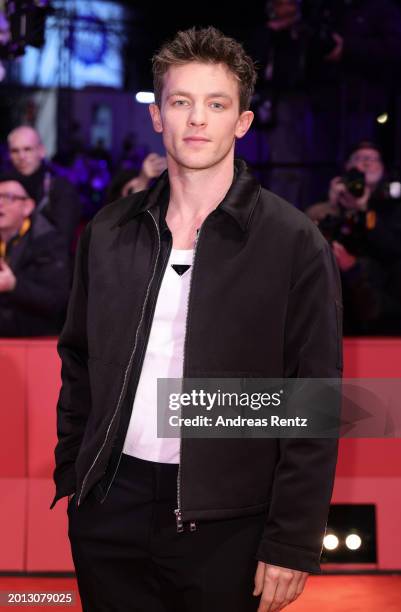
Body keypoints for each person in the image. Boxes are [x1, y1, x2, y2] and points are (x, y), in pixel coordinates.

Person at [52, 27, 342, 612]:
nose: (197, 120)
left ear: (243, 122)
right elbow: (78, 359)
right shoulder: (109, 231)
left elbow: (313, 400)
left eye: (217, 104)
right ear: (158, 116)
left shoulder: (294, 242)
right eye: (181, 102)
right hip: (111, 510)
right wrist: (75, 474)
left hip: (230, 523)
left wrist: (292, 538)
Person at [307, 141, 401, 334]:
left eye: (372, 159)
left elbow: (394, 249)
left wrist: (363, 208)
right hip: (335, 307)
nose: (366, 163)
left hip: (382, 306)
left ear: (383, 169)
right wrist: (331, 205)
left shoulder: (395, 208)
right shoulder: (330, 204)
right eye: (359, 159)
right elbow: (307, 245)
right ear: (346, 168)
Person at [0, 173, 70, 336]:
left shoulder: (49, 242)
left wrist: (14, 286)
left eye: (8, 197)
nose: (0, 203)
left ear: (28, 207)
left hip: (33, 340)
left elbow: (56, 300)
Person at [7, 126, 82, 251]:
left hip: (47, 263)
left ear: (41, 151)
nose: (21, 156)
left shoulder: (60, 187)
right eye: (15, 151)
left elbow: (64, 238)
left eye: (28, 149)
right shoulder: (5, 185)